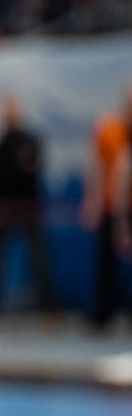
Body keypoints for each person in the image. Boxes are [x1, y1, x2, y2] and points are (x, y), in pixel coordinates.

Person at [0, 94, 52, 313]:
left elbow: (33, 172)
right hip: (4, 208)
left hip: (29, 207)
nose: (12, 114)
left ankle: (49, 306)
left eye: (15, 110)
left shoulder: (30, 142)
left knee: (40, 257)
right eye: (8, 110)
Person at [83, 84, 132, 329]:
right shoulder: (109, 129)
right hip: (112, 205)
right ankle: (103, 313)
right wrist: (92, 203)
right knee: (106, 262)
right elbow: (97, 168)